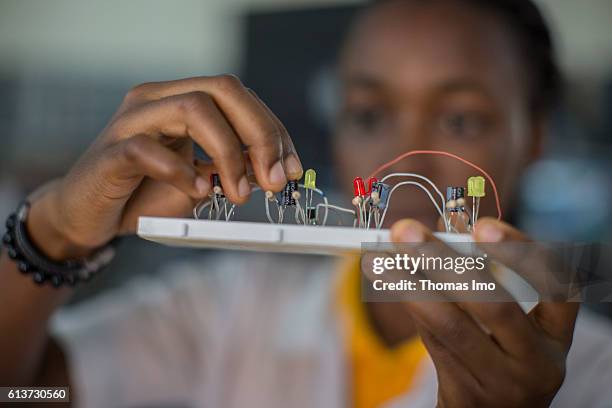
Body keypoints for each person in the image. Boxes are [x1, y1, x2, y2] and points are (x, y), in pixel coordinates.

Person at [1, 0, 611, 407]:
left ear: (532, 138)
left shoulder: (595, 374)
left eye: (459, 118)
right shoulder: (227, 309)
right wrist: (52, 233)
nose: (406, 160)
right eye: (369, 114)